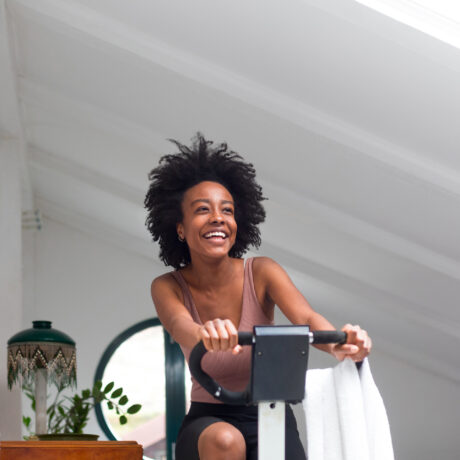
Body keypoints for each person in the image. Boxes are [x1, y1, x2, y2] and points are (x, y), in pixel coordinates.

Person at [145, 133, 372, 460]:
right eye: (202, 210)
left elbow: (306, 319)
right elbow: (182, 326)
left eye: (227, 210)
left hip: (270, 414)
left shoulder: (262, 271)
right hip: (209, 421)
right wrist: (206, 333)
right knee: (225, 441)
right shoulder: (167, 285)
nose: (218, 218)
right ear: (179, 227)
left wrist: (339, 343)